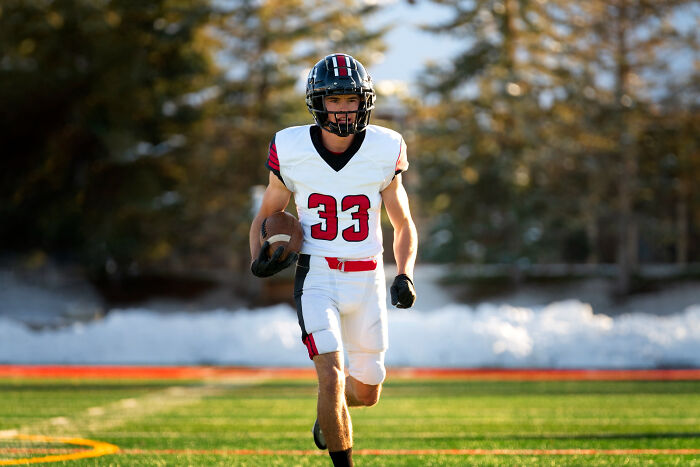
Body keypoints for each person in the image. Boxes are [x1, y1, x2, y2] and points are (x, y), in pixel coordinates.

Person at [249, 53, 417, 467]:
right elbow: (265, 216)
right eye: (335, 100)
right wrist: (258, 260)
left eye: (351, 100)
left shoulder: (385, 147)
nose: (344, 109)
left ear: (365, 102)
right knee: (330, 374)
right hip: (317, 276)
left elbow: (403, 222)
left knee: (366, 393)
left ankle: (330, 415)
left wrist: (405, 274)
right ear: (317, 103)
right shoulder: (290, 147)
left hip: (368, 277)